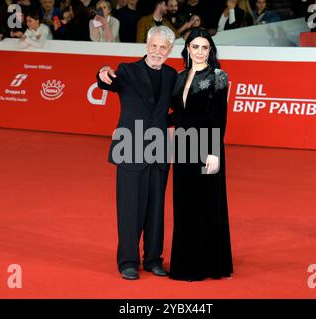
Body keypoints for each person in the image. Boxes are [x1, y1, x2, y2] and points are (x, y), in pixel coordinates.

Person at [96, 25, 177, 280]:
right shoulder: (127, 71)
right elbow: (106, 82)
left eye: (162, 47)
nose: (157, 51)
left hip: (160, 150)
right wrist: (102, 73)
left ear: (169, 50)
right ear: (146, 45)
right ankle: (128, 261)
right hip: (130, 148)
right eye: (153, 46)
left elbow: (176, 110)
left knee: (156, 209)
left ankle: (153, 259)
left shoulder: (172, 75)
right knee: (129, 208)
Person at [168, 28, 233, 281]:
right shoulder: (180, 76)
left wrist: (214, 151)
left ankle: (211, 264)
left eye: (204, 47)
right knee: (185, 203)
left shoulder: (218, 76)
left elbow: (219, 117)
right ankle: (186, 264)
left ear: (211, 51)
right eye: (195, 47)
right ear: (187, 49)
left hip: (207, 147)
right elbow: (181, 115)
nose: (199, 52)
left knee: (209, 202)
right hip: (184, 146)